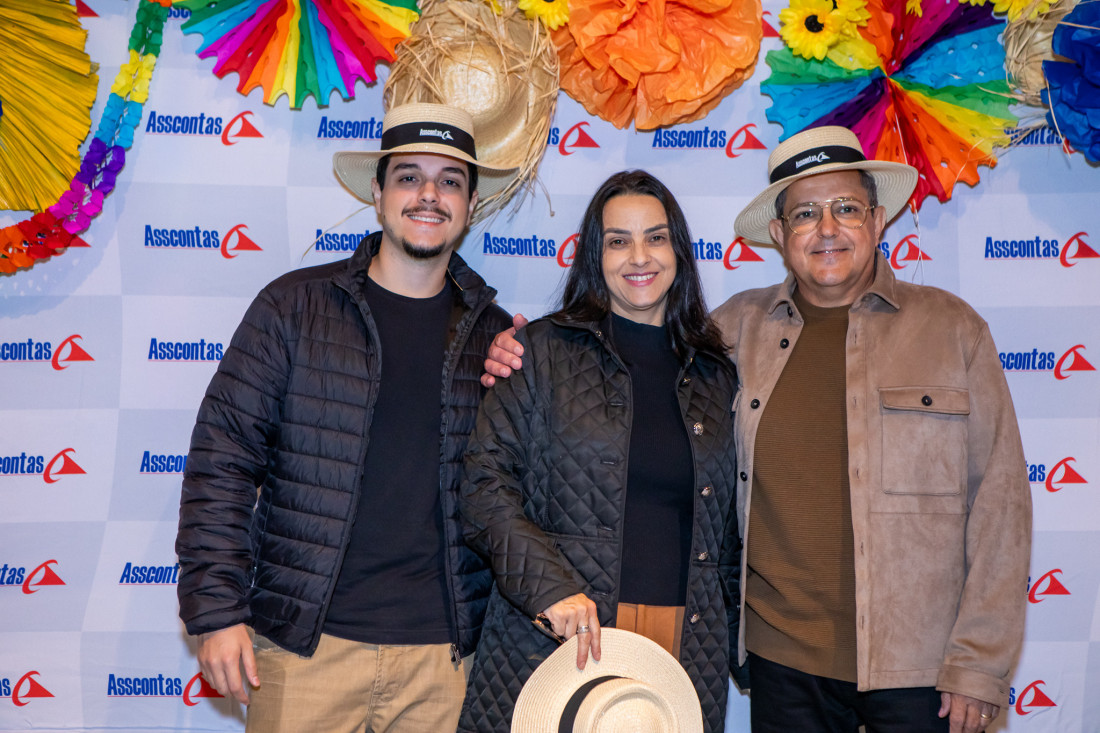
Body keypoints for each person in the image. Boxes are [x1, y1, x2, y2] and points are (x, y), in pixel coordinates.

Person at [483, 127, 1032, 733]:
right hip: (782, 666)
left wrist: (980, 665)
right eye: (805, 214)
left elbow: (1001, 504)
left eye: (846, 208)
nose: (827, 229)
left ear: (878, 221)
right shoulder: (733, 332)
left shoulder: (953, 330)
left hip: (920, 667)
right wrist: (513, 351)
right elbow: (624, 359)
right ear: (778, 233)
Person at [175, 102, 516, 732]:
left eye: (449, 181)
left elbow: (511, 494)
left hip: (444, 665)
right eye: (409, 177)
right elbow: (222, 462)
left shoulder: (495, 339)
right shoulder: (293, 307)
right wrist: (217, 612)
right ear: (378, 193)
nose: (429, 195)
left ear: (470, 204)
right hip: (305, 651)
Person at [457, 171, 745, 733]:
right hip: (562, 638)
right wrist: (549, 589)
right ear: (595, 255)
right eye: (618, 241)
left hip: (686, 644)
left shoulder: (717, 375)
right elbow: (484, 485)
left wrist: (741, 646)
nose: (639, 256)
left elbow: (731, 529)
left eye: (656, 237)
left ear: (679, 252)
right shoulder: (539, 352)